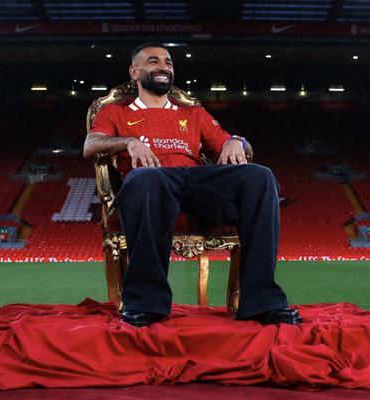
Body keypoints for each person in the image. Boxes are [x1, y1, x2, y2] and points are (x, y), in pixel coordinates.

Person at [83, 42, 301, 327]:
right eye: (153, 61)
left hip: (196, 181)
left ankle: (262, 302)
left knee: (260, 176)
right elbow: (91, 145)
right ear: (134, 72)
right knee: (143, 178)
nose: (163, 66)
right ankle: (146, 303)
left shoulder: (193, 113)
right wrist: (129, 142)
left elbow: (235, 146)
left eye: (168, 62)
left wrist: (238, 140)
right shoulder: (115, 111)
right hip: (153, 181)